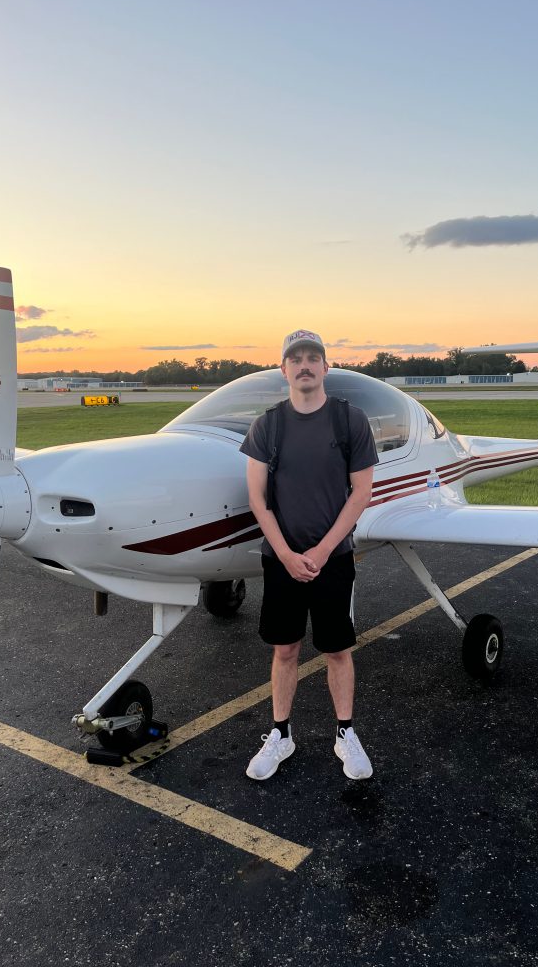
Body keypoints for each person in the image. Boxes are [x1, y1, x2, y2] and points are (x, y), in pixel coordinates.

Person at [240, 329, 379, 781]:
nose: (304, 365)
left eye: (312, 357)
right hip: (281, 560)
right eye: (295, 358)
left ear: (325, 367)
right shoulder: (268, 425)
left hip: (332, 558)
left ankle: (346, 733)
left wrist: (319, 551)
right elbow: (258, 500)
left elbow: (360, 493)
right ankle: (281, 734)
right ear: (283, 369)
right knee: (285, 649)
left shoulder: (349, 420)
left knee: (337, 649)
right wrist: (285, 554)